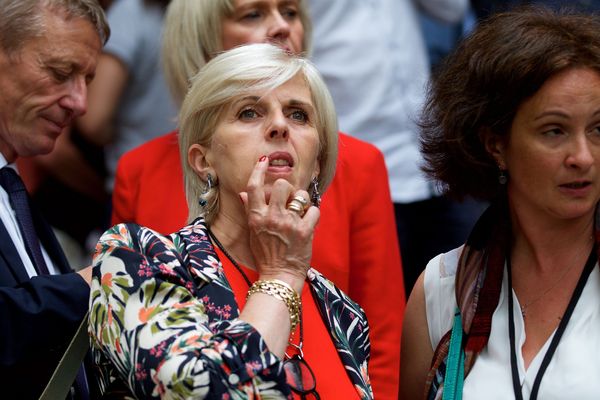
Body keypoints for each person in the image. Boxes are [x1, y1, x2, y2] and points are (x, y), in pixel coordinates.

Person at [111, 0, 404, 397]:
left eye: (299, 114)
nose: (280, 125)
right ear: (202, 159)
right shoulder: (138, 258)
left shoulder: (340, 309)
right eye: (250, 112)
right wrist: (282, 275)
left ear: (318, 163)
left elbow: (386, 348)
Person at [401, 7, 600, 399]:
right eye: (554, 131)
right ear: (495, 144)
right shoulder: (444, 288)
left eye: (598, 128)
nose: (583, 156)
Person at [306, 0, 485, 298]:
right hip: (350, 169)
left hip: (431, 164)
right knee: (383, 315)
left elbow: (451, 9)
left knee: (467, 304)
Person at [0, 0, 109, 398]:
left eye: (87, 80)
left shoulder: (14, 193)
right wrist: (98, 281)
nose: (79, 103)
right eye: (61, 73)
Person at [77, 0, 176, 190]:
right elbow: (94, 121)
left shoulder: (131, 14)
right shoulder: (131, 15)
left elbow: (93, 122)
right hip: (176, 180)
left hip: (141, 180)